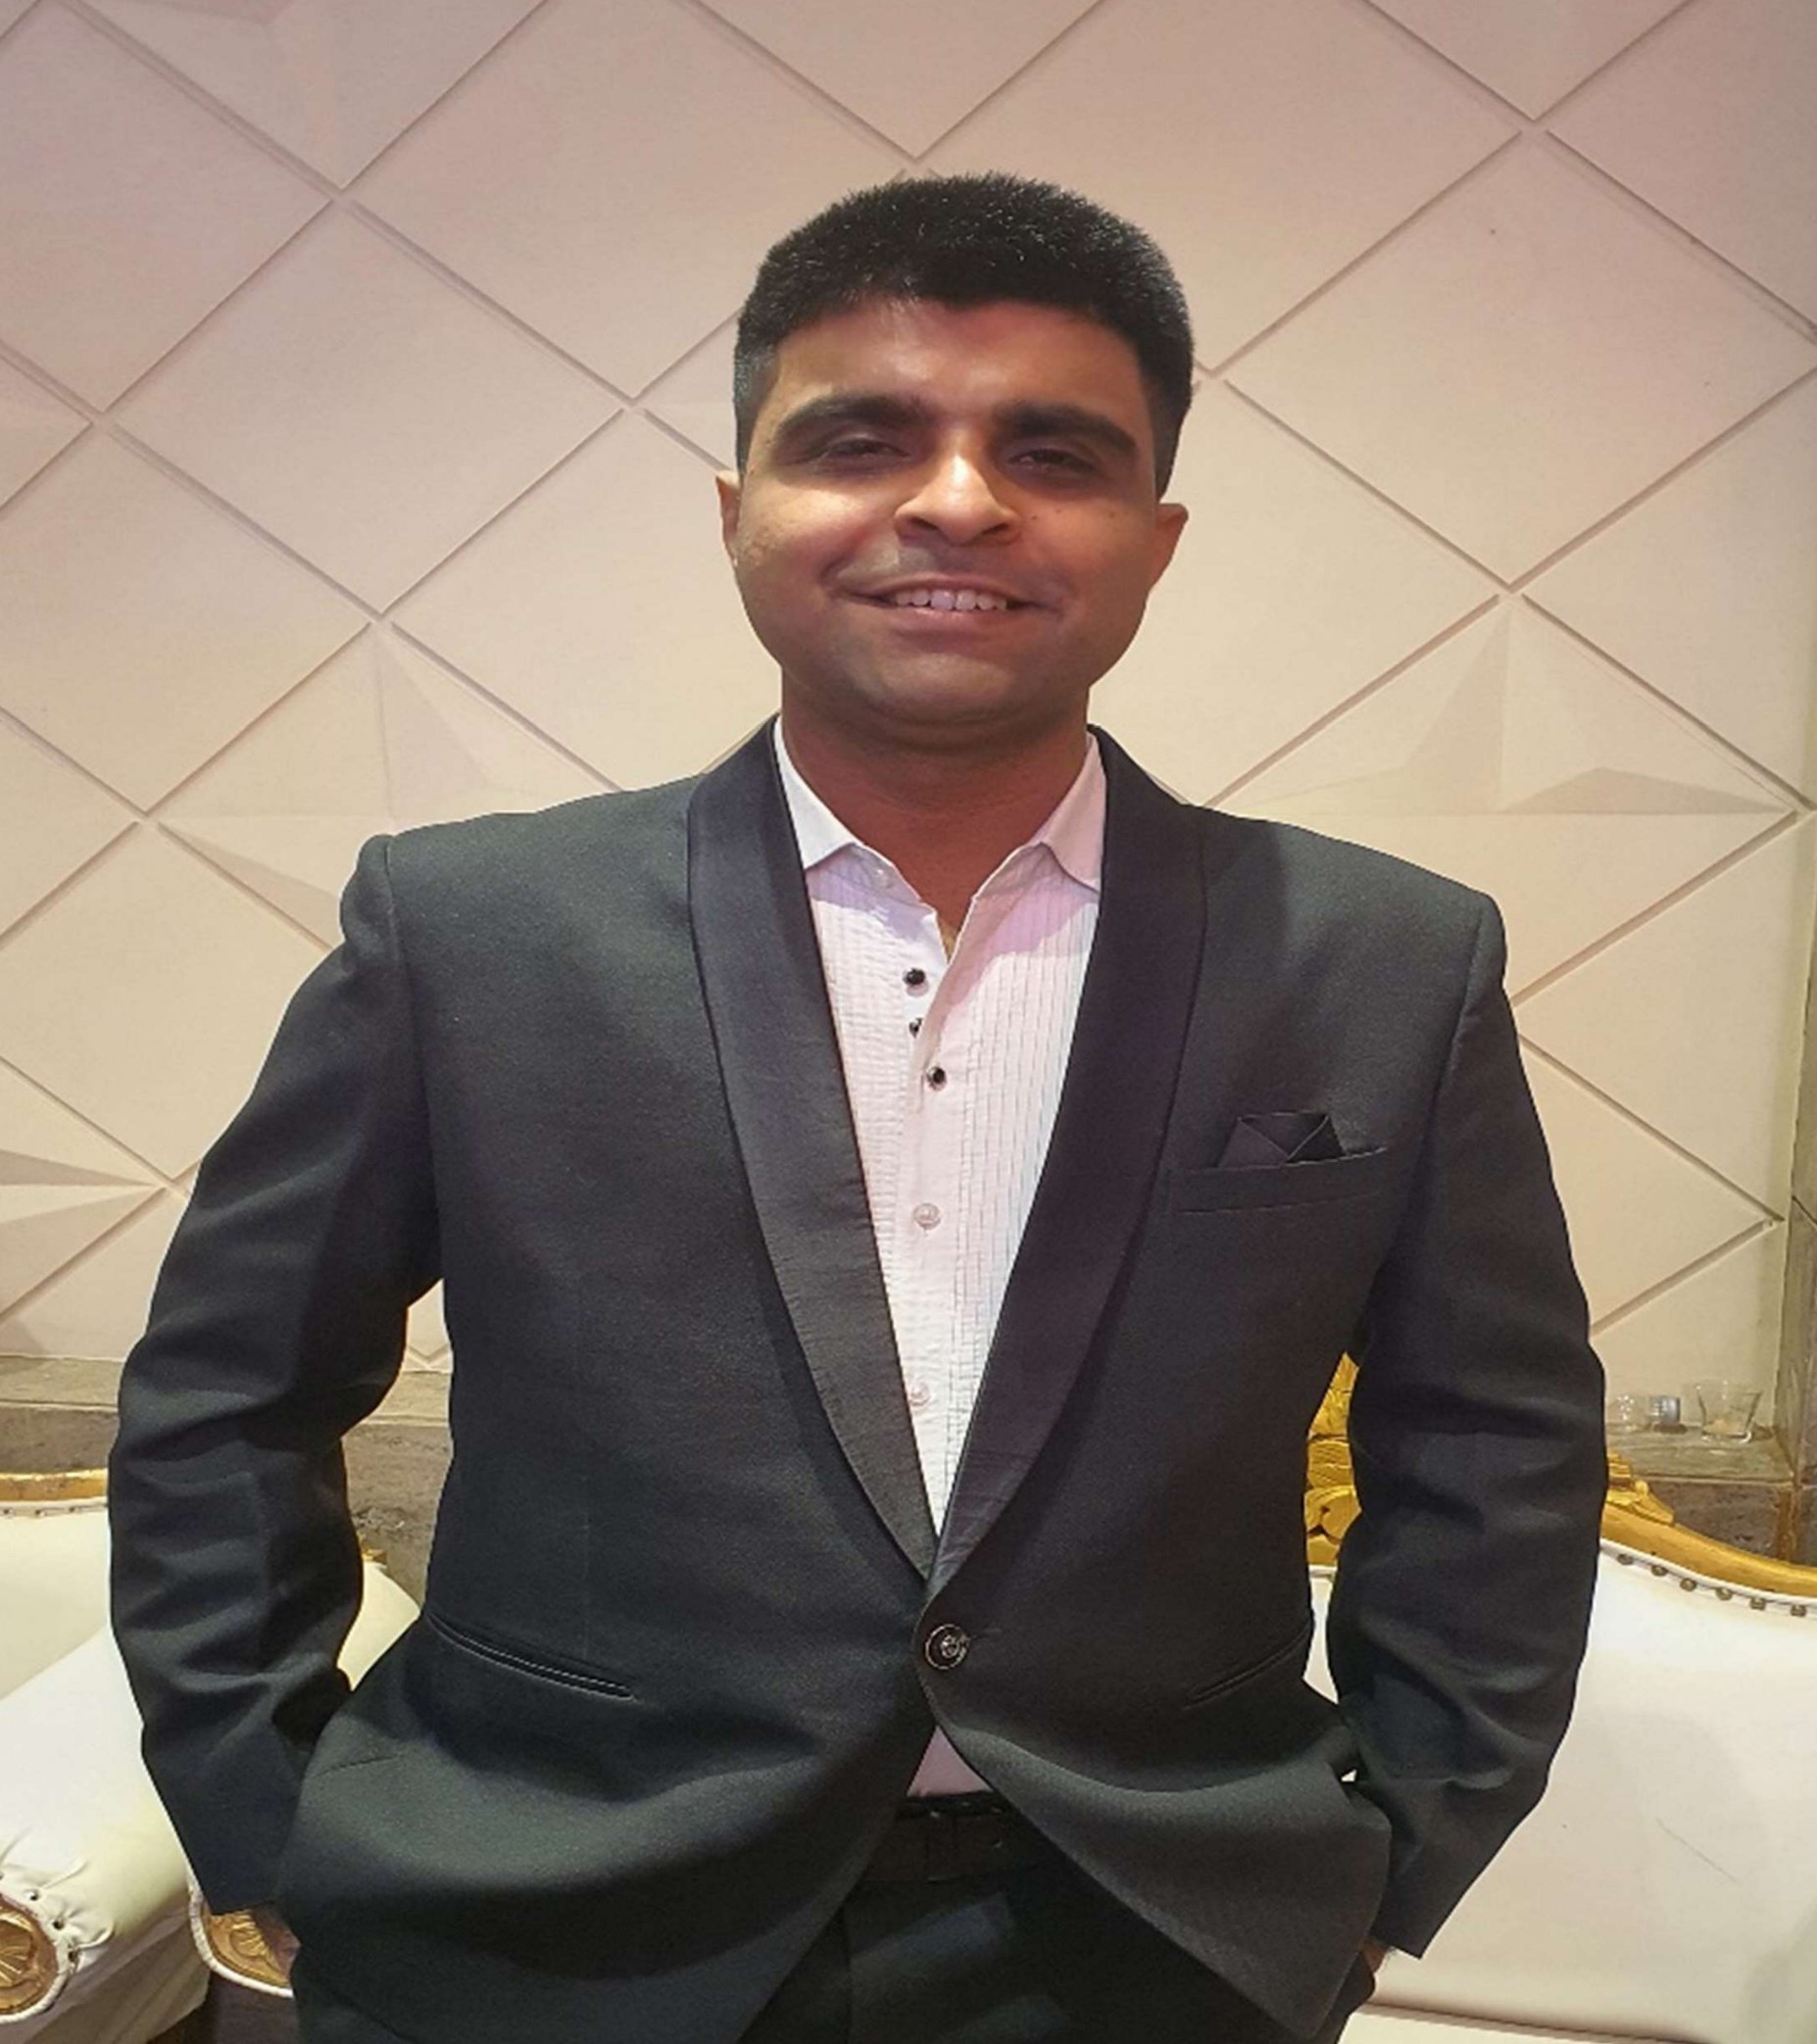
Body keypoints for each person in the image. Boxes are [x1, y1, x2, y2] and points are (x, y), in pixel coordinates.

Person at [108, 171, 1606, 2044]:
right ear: (738, 513)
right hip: (532, 1928)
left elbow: (1494, 1445)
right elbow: (229, 1394)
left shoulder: (1386, 958)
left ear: (1153, 538)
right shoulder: (467, 931)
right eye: (861, 440)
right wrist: (267, 1813)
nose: (958, 500)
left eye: (1050, 451)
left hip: (1148, 1938)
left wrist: (1398, 1843)